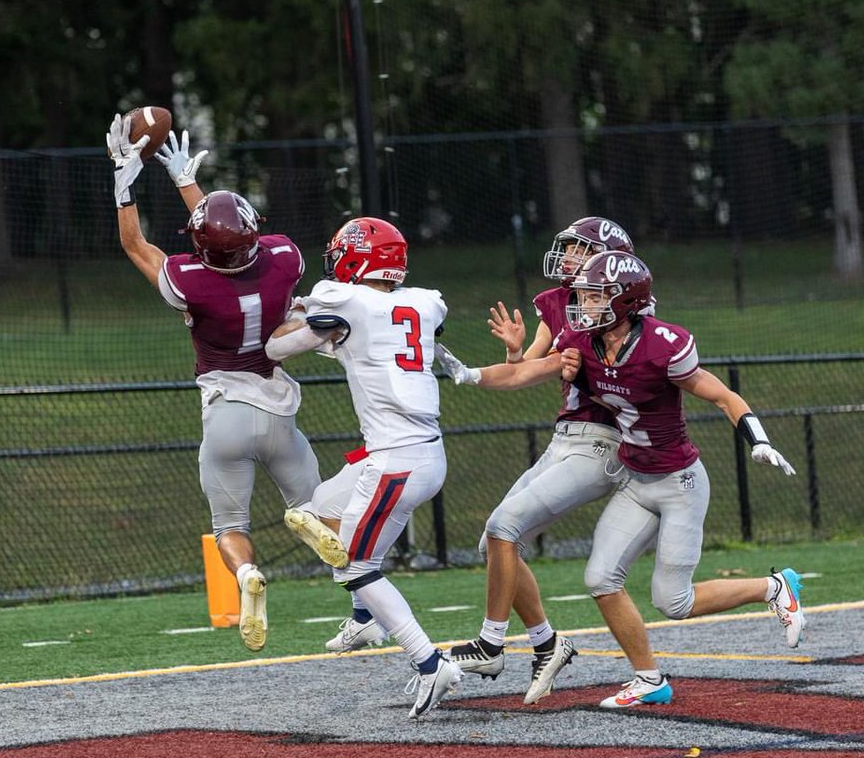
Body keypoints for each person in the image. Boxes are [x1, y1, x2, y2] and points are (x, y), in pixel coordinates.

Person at [439, 248, 804, 709]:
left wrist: (760, 441)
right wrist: (466, 373)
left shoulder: (663, 345)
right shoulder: (583, 345)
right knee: (600, 578)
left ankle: (774, 588)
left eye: (595, 297)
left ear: (625, 301)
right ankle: (650, 679)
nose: (583, 305)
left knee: (674, 602)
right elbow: (525, 372)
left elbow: (723, 395)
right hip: (635, 478)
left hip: (678, 483)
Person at [106, 114, 346, 654]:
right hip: (278, 408)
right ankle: (357, 598)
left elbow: (138, 247)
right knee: (318, 508)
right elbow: (231, 234)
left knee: (229, 526)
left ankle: (245, 576)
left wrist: (126, 187)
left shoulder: (190, 282)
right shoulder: (285, 256)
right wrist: (187, 183)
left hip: (225, 414)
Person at [264, 216, 462, 719]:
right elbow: (377, 338)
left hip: (397, 460)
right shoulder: (423, 301)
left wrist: (302, 314)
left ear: (356, 257)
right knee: (312, 513)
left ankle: (429, 662)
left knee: (356, 564)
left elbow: (275, 346)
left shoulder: (345, 301)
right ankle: (363, 617)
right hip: (410, 454)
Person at [435, 217, 637, 706]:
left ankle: (489, 643)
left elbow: (550, 369)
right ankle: (548, 643)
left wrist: (472, 375)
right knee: (493, 542)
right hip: (564, 439)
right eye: (566, 247)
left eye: (578, 249)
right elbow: (528, 366)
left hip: (601, 445)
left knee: (505, 526)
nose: (566, 257)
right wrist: (511, 354)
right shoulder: (557, 303)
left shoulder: (619, 316)